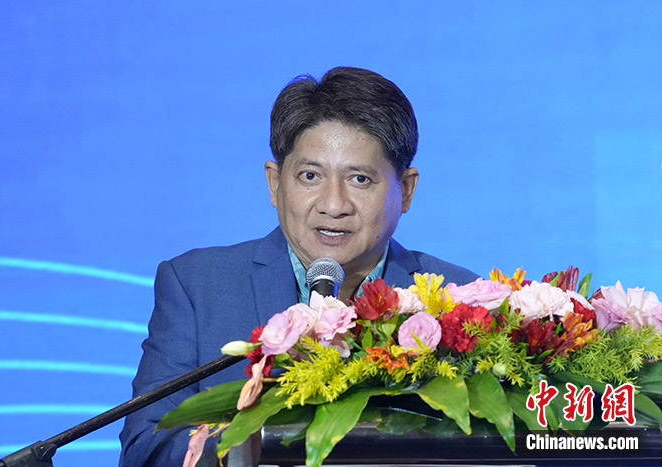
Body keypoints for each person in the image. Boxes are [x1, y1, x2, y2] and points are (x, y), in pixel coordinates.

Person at [118, 66, 479, 466]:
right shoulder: (198, 287)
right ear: (275, 182)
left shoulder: (462, 302)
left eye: (360, 179)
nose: (333, 205)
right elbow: (147, 448)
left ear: (406, 190)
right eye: (310, 176)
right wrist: (248, 448)